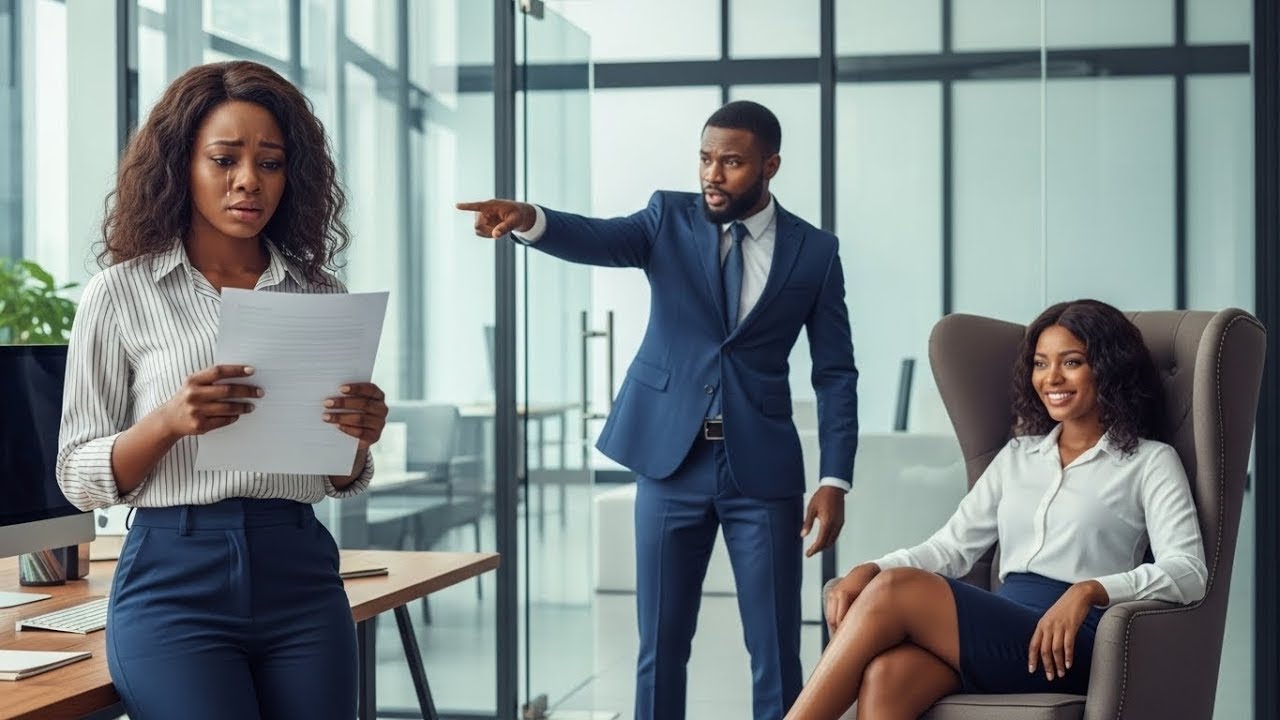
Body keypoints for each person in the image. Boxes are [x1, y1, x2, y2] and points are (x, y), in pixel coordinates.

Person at [458, 100, 859, 720]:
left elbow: (835, 373)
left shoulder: (815, 252)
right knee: (661, 646)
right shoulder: (667, 218)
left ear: (770, 166)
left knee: (776, 648)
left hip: (762, 471)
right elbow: (597, 236)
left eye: (731, 162)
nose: (712, 175)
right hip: (671, 460)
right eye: (705, 158)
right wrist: (529, 219)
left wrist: (835, 479)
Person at [56, 61, 387, 720]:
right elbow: (75, 476)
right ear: (180, 165)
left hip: (300, 573)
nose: (248, 180)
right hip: (174, 580)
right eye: (224, 159)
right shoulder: (119, 293)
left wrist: (358, 437)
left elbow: (335, 476)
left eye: (270, 163)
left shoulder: (319, 293)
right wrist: (167, 423)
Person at [786, 299, 1208, 720]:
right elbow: (951, 549)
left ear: (1107, 368)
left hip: (1069, 641)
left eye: (1071, 362)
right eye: (1040, 364)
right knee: (888, 675)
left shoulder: (1149, 462)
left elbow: (1189, 571)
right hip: (1003, 630)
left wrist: (1090, 591)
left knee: (896, 588)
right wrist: (872, 568)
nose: (1052, 378)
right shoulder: (1018, 456)